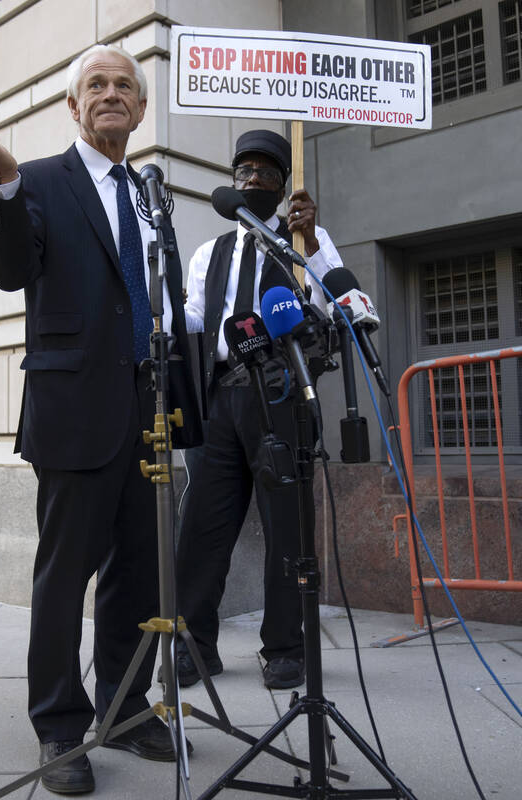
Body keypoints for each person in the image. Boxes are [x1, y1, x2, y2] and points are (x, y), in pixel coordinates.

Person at [0, 44, 200, 795]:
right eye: (96, 84)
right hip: (73, 410)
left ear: (142, 108)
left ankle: (125, 712)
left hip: (147, 409)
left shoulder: (152, 191)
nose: (111, 94)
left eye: (125, 85)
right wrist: (0, 178)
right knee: (66, 576)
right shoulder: (41, 181)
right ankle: (60, 724)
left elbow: (160, 296)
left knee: (137, 572)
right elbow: (9, 270)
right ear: (73, 105)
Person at [175, 129, 343, 691]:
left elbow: (331, 309)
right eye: (244, 170)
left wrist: (312, 243)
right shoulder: (210, 253)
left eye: (267, 172)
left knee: (287, 529)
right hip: (222, 398)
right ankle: (195, 643)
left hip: (283, 398)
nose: (253, 179)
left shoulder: (305, 246)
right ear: (232, 182)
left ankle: (285, 648)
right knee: (202, 526)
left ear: (283, 186)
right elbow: (194, 318)